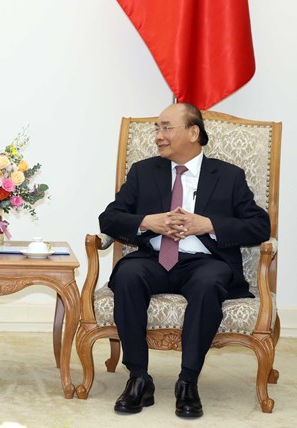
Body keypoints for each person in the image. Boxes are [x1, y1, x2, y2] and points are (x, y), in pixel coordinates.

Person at [99, 103, 270, 418]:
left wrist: (209, 225)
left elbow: (260, 226)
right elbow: (109, 219)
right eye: (157, 129)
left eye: (166, 128)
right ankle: (138, 377)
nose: (158, 136)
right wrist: (148, 221)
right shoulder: (143, 171)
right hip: (153, 260)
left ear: (193, 132)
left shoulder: (229, 176)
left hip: (204, 263)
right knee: (128, 274)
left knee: (209, 282)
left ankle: (187, 381)